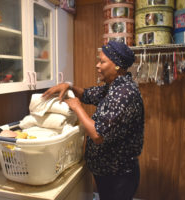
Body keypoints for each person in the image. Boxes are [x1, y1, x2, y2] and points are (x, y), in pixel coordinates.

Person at [43, 40, 144, 200]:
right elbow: (87, 94)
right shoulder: (113, 87)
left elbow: (98, 135)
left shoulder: (124, 94)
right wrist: (68, 86)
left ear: (117, 65)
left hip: (118, 176)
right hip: (108, 172)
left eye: (102, 61)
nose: (97, 65)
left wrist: (77, 108)